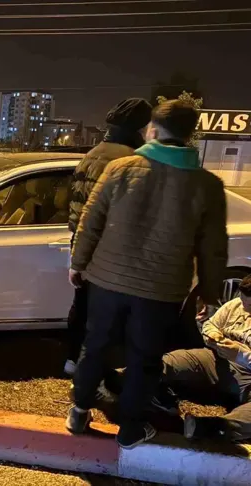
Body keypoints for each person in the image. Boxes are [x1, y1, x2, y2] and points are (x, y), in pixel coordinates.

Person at [66, 100, 229, 449]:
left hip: (107, 281)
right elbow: (213, 246)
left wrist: (78, 264)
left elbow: (90, 221)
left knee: (95, 347)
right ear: (190, 135)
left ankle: (79, 412)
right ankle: (130, 430)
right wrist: (209, 291)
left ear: (152, 130)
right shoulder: (208, 185)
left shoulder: (121, 169)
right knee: (144, 359)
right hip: (161, 291)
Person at [65, 98, 153, 376]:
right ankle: (98, 368)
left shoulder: (93, 153)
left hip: (82, 242)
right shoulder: (131, 159)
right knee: (111, 312)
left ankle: (71, 358)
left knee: (82, 306)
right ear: (138, 125)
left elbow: (76, 203)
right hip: (111, 247)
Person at [153, 275, 251, 442]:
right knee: (174, 360)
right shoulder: (238, 305)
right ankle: (121, 378)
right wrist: (212, 336)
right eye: (243, 301)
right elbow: (211, 324)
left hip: (248, 375)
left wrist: (240, 354)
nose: (245, 308)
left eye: (250, 305)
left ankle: (216, 427)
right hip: (218, 360)